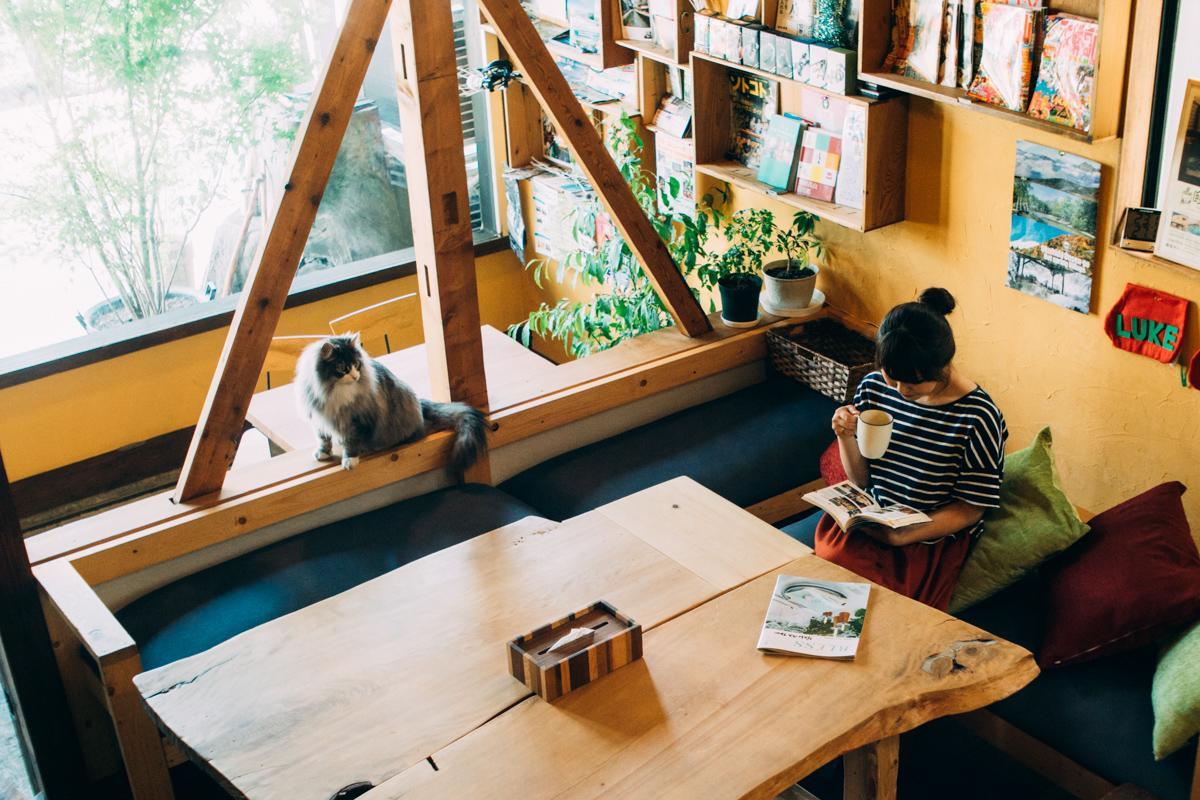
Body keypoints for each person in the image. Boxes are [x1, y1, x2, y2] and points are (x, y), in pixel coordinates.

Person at [819, 288, 1008, 610]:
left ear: (941, 365)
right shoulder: (874, 386)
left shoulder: (978, 417)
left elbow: (972, 507)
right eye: (892, 379)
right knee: (828, 576)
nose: (900, 391)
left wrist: (904, 536)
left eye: (913, 384)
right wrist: (845, 437)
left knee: (880, 605)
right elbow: (862, 480)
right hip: (872, 519)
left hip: (927, 533)